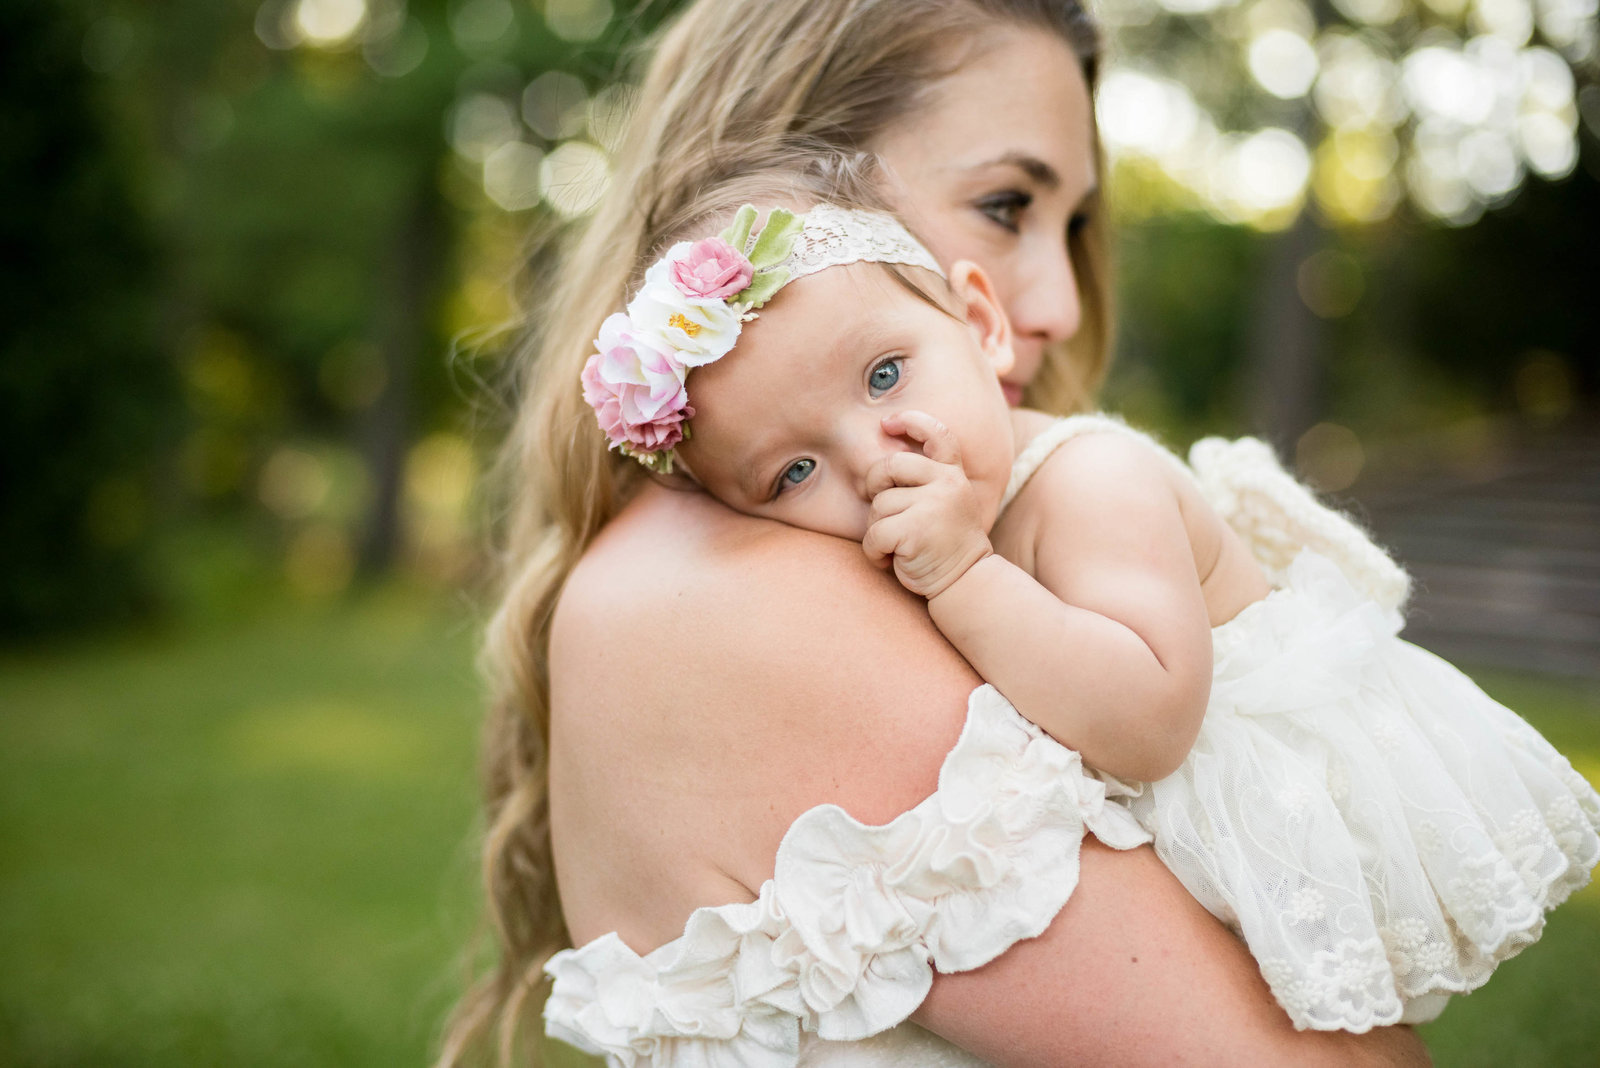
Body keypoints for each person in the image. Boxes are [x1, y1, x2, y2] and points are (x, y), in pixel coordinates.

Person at [440, 1, 1435, 1064]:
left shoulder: (736, 549)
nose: (1054, 303)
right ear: (788, 169)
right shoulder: (752, 600)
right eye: (1006, 203)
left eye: (1077, 227)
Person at [573, 183, 1600, 1043]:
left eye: (885, 374)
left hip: (1269, 798)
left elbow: (1149, 723)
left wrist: (968, 578)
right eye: (795, 470)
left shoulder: (1090, 482)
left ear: (979, 324)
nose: (874, 456)